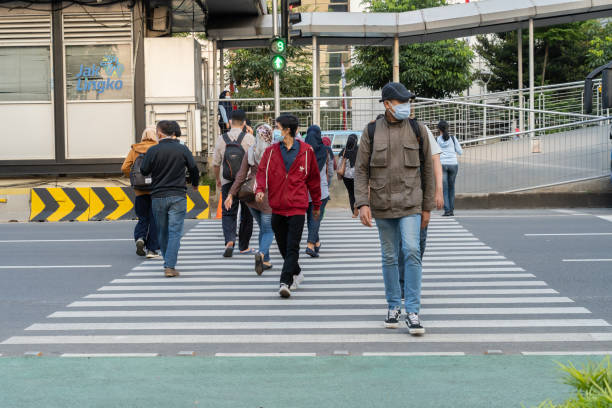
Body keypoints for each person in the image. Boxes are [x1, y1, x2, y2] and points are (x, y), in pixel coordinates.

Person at [354, 82, 435, 335]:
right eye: (402, 102)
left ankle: (412, 310)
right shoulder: (371, 131)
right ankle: (393, 306)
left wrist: (427, 207)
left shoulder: (417, 129)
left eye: (408, 102)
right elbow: (361, 169)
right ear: (388, 104)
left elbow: (429, 170)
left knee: (411, 250)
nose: (407, 107)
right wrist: (362, 203)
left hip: (411, 202)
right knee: (389, 256)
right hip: (382, 204)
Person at [255, 114, 322, 298]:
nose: (275, 131)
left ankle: (285, 281)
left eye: (277, 127)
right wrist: (260, 189)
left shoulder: (306, 152)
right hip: (277, 206)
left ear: (288, 130)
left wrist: (316, 205)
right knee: (283, 246)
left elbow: (314, 181)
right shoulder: (271, 152)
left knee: (292, 246)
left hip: (297, 207)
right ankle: (297, 271)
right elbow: (262, 172)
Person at [140, 120, 200, 278]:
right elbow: (194, 168)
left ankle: (168, 262)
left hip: (158, 196)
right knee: (175, 232)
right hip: (178, 196)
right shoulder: (182, 149)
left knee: (162, 231)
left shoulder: (153, 150)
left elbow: (144, 170)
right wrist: (195, 184)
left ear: (160, 133)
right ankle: (169, 265)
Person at [225, 124, 275, 275]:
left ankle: (265, 260)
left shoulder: (250, 151)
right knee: (269, 230)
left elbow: (241, 175)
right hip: (267, 197)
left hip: (251, 197)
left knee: (263, 229)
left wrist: (231, 194)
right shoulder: (275, 152)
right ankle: (261, 253)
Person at [213, 109, 256, 257]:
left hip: (227, 181)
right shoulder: (250, 139)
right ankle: (243, 246)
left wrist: (218, 179)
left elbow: (216, 163)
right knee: (247, 214)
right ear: (244, 123)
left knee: (228, 212)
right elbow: (255, 161)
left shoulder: (221, 139)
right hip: (246, 182)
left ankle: (229, 241)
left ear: (230, 122)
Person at [121, 127, 161, 258]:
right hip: (156, 190)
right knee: (155, 220)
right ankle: (152, 250)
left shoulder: (134, 149)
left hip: (139, 191)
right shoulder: (158, 148)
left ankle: (140, 238)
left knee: (143, 218)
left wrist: (133, 177)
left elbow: (125, 167)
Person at [304, 125, 334, 258]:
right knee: (315, 218)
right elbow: (331, 172)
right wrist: (327, 185)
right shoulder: (326, 150)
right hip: (321, 191)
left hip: (305, 191)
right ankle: (311, 244)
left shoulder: (302, 151)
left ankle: (316, 243)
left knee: (310, 219)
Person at [437, 119, 463, 216]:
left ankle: (447, 210)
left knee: (445, 188)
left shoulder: (437, 140)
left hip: (442, 165)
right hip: (453, 164)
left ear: (438, 129)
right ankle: (451, 210)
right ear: (447, 128)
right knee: (452, 187)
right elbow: (460, 151)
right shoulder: (453, 138)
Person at [338, 133, 359, 218]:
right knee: (358, 193)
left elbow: (339, 164)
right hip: (357, 175)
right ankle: (357, 206)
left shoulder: (343, 151)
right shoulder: (359, 150)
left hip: (346, 177)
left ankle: (354, 212)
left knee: (351, 193)